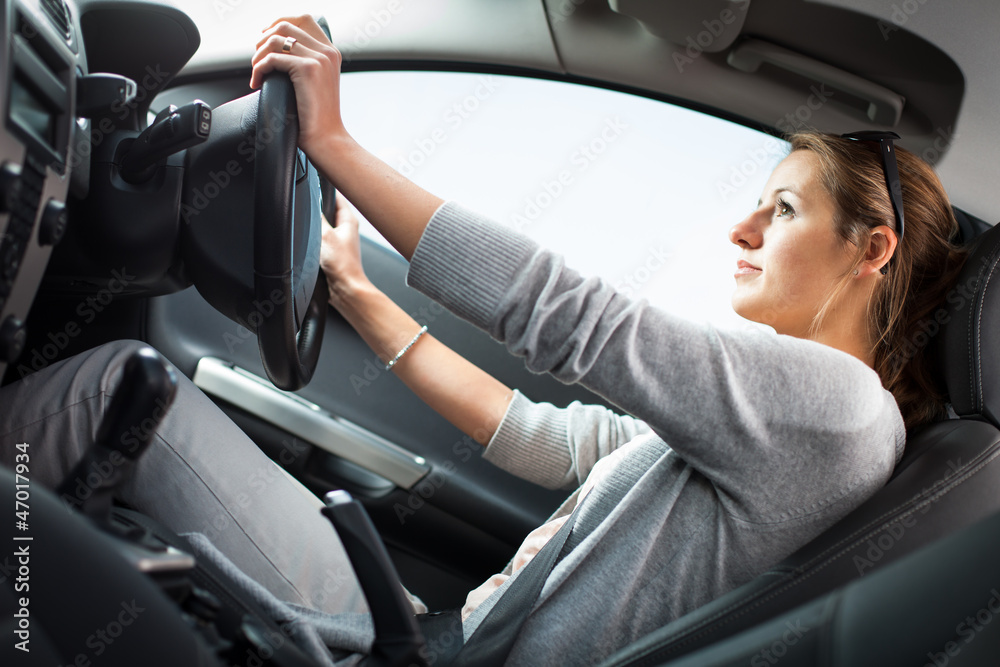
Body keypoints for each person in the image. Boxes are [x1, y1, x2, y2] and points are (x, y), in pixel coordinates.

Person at [0, 14, 969, 667]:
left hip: (442, 653)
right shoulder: (797, 422)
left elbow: (580, 320)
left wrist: (337, 147)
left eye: (783, 210)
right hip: (445, 634)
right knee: (126, 396)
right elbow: (546, 440)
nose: (741, 232)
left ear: (868, 249)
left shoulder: (836, 410)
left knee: (112, 393)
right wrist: (355, 288)